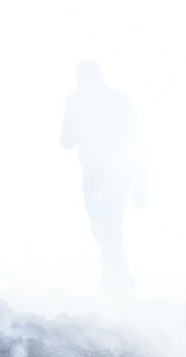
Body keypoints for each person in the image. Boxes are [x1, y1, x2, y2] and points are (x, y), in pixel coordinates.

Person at [60, 60, 146, 292]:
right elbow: (66, 140)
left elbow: (137, 141)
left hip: (120, 172)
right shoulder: (75, 101)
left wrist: (141, 182)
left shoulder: (120, 101)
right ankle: (121, 280)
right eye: (80, 81)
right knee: (100, 227)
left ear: (99, 78)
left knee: (110, 226)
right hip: (92, 173)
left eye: (88, 80)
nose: (83, 86)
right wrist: (82, 123)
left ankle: (113, 287)